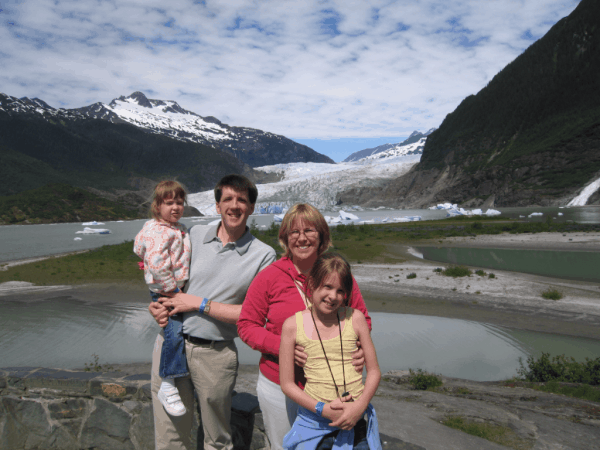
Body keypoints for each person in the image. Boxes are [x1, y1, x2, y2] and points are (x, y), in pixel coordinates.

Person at [148, 174, 276, 450]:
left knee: (217, 440)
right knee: (169, 438)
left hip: (215, 355)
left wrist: (198, 303)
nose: (234, 205)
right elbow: (165, 275)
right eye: (227, 199)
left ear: (252, 207)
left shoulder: (263, 255)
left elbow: (254, 315)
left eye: (242, 200)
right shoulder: (192, 234)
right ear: (217, 206)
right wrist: (156, 305)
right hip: (172, 345)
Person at [237, 203, 372, 450]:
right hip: (280, 385)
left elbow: (361, 317)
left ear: (321, 236)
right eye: (293, 232)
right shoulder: (269, 276)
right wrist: (283, 347)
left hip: (332, 387)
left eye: (309, 230)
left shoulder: (336, 273)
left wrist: (360, 347)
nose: (301, 238)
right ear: (285, 238)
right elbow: (246, 324)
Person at [280, 253, 381, 450]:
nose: (333, 296)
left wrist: (359, 407)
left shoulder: (356, 318)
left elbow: (375, 371)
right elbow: (287, 384)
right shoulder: (292, 325)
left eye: (340, 291)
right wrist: (323, 409)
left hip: (355, 420)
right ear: (312, 283)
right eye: (327, 286)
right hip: (315, 421)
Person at [134, 180, 192, 417]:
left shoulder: (173, 228)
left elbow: (138, 248)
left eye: (179, 202)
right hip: (165, 290)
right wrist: (174, 292)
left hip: (169, 288)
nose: (175, 207)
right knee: (174, 332)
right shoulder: (159, 231)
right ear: (157, 206)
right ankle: (167, 382)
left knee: (176, 331)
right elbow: (157, 265)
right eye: (169, 203)